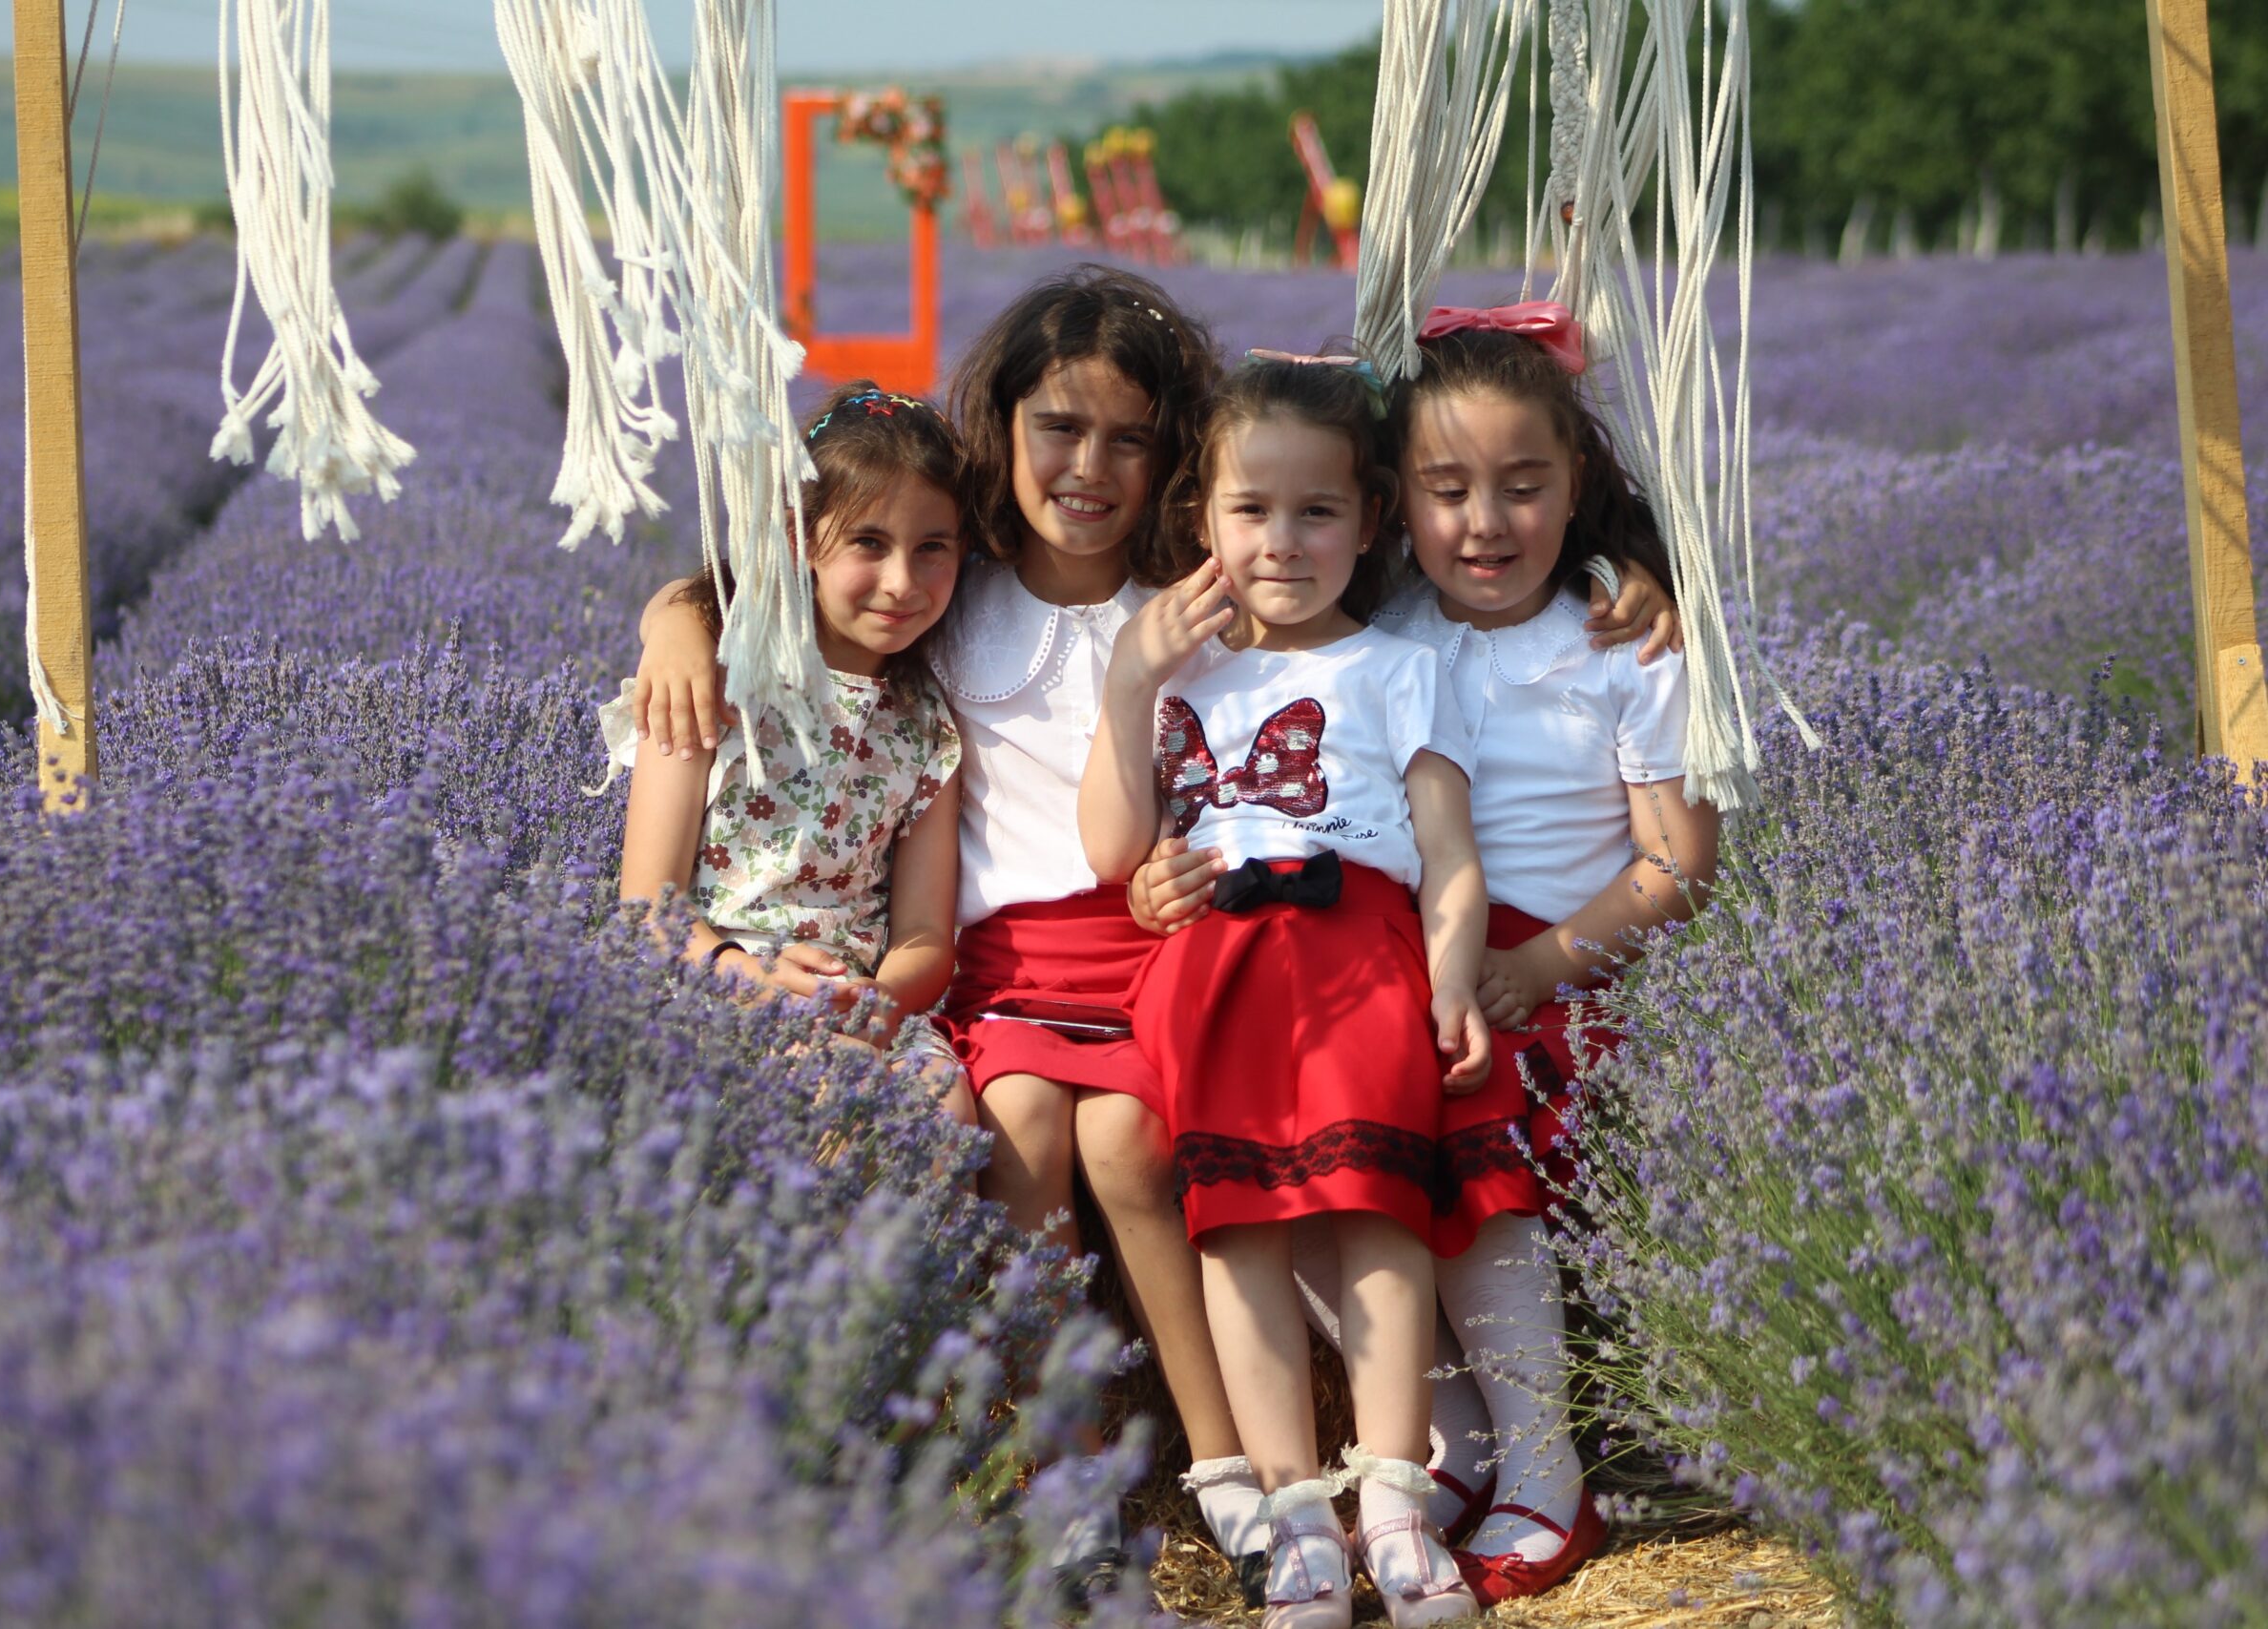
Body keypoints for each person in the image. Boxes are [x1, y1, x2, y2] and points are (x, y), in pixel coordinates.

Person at [626, 270, 1681, 1609]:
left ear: (1176, 456)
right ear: (1001, 435)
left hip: (1179, 955)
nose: (1091, 467)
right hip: (1011, 966)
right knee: (1022, 1130)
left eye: (1131, 438)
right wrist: (683, 608)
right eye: (1059, 430)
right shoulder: (963, 585)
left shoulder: (1213, 600)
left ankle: (1240, 1464)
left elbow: (1399, 570)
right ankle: (1063, 1458)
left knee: (1136, 1136)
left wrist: (1619, 568)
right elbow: (848, 550)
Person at [1137, 303, 1720, 1604]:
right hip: (1396, 953)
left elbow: (1680, 860)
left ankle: (1544, 1463)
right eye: (1447, 489)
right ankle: (1445, 1438)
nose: (1487, 521)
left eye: (1525, 485)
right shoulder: (1391, 618)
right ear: (1398, 504)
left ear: (1581, 482)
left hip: (1562, 966)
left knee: (1460, 1108)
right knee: (1311, 1134)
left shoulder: (1620, 634)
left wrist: (1551, 961)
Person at [1079, 352, 1493, 1629]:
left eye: (1318, 512)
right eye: (1251, 511)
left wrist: (1453, 983)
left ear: (1369, 522)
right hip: (1212, 969)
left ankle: (1394, 1496)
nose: (1283, 540)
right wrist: (1129, 682)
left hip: (1358, 951)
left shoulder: (1398, 666)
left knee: (1378, 1209)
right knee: (1236, 1229)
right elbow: (1111, 847)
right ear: (1201, 520)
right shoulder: (1173, 661)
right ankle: (1293, 1507)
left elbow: (1450, 856)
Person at [611, 382, 973, 1122]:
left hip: (859, 1005)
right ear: (800, 539)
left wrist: (870, 995)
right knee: (830, 1099)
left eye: (932, 548)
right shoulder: (714, 680)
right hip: (710, 984)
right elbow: (647, 908)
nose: (902, 582)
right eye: (869, 543)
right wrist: (749, 975)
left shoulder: (925, 725)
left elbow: (926, 936)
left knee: (946, 1114)